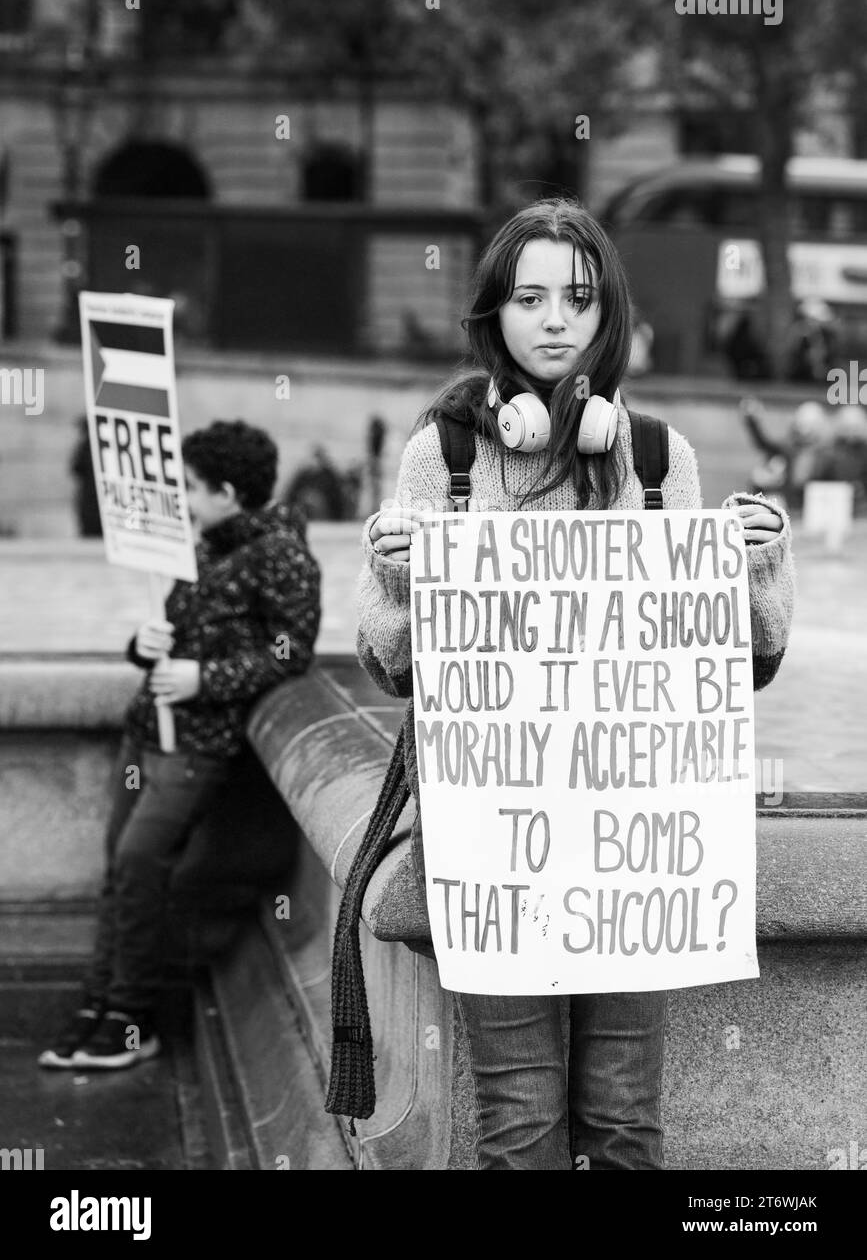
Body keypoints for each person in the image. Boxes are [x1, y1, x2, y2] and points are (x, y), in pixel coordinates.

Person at [355, 198, 795, 1170]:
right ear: (495, 315)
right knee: (518, 1127)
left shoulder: (653, 455)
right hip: (497, 846)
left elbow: (730, 663)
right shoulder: (448, 455)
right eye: (530, 297)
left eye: (580, 297)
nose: (555, 319)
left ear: (609, 313)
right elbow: (393, 663)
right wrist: (400, 575)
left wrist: (756, 565)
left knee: (626, 1124)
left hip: (633, 846)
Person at [39, 420, 321, 1071]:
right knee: (121, 870)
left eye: (191, 486)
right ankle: (100, 1003)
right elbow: (173, 632)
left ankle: (134, 1018)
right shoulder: (199, 548)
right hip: (149, 730)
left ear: (226, 491)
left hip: (199, 741)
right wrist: (146, 646)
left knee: (140, 866)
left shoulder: (281, 556)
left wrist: (204, 678)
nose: (182, 498)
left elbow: (290, 654)